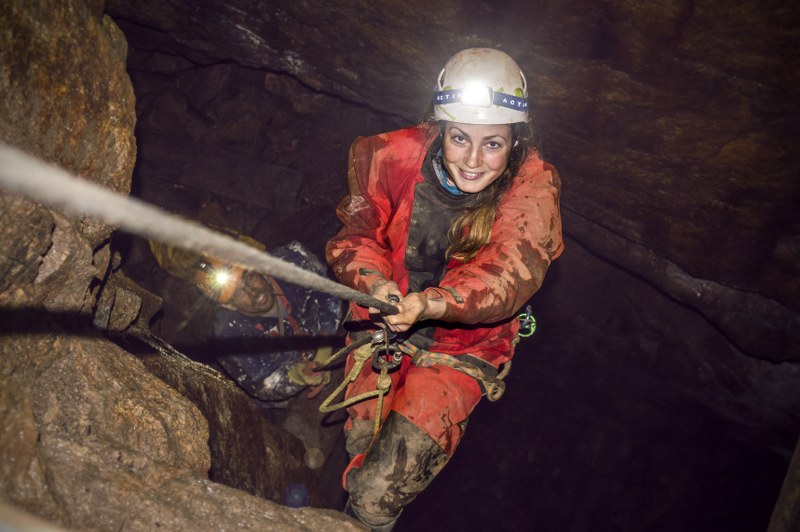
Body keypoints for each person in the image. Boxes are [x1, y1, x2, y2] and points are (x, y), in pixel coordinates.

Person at [326, 48, 564, 530]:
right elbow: (355, 235)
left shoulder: (533, 187)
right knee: (360, 453)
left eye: (493, 144)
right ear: (439, 130)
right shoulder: (387, 157)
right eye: (460, 138)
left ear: (515, 141)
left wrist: (434, 303)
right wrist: (376, 282)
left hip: (461, 349)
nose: (474, 160)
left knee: (378, 491)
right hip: (381, 329)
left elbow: (509, 272)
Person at [150, 237, 342, 403]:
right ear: (228, 306)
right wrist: (298, 376)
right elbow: (264, 383)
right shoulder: (229, 336)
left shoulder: (292, 261)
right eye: (238, 293)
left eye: (249, 278)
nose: (253, 292)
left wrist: (323, 353)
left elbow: (329, 291)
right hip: (291, 386)